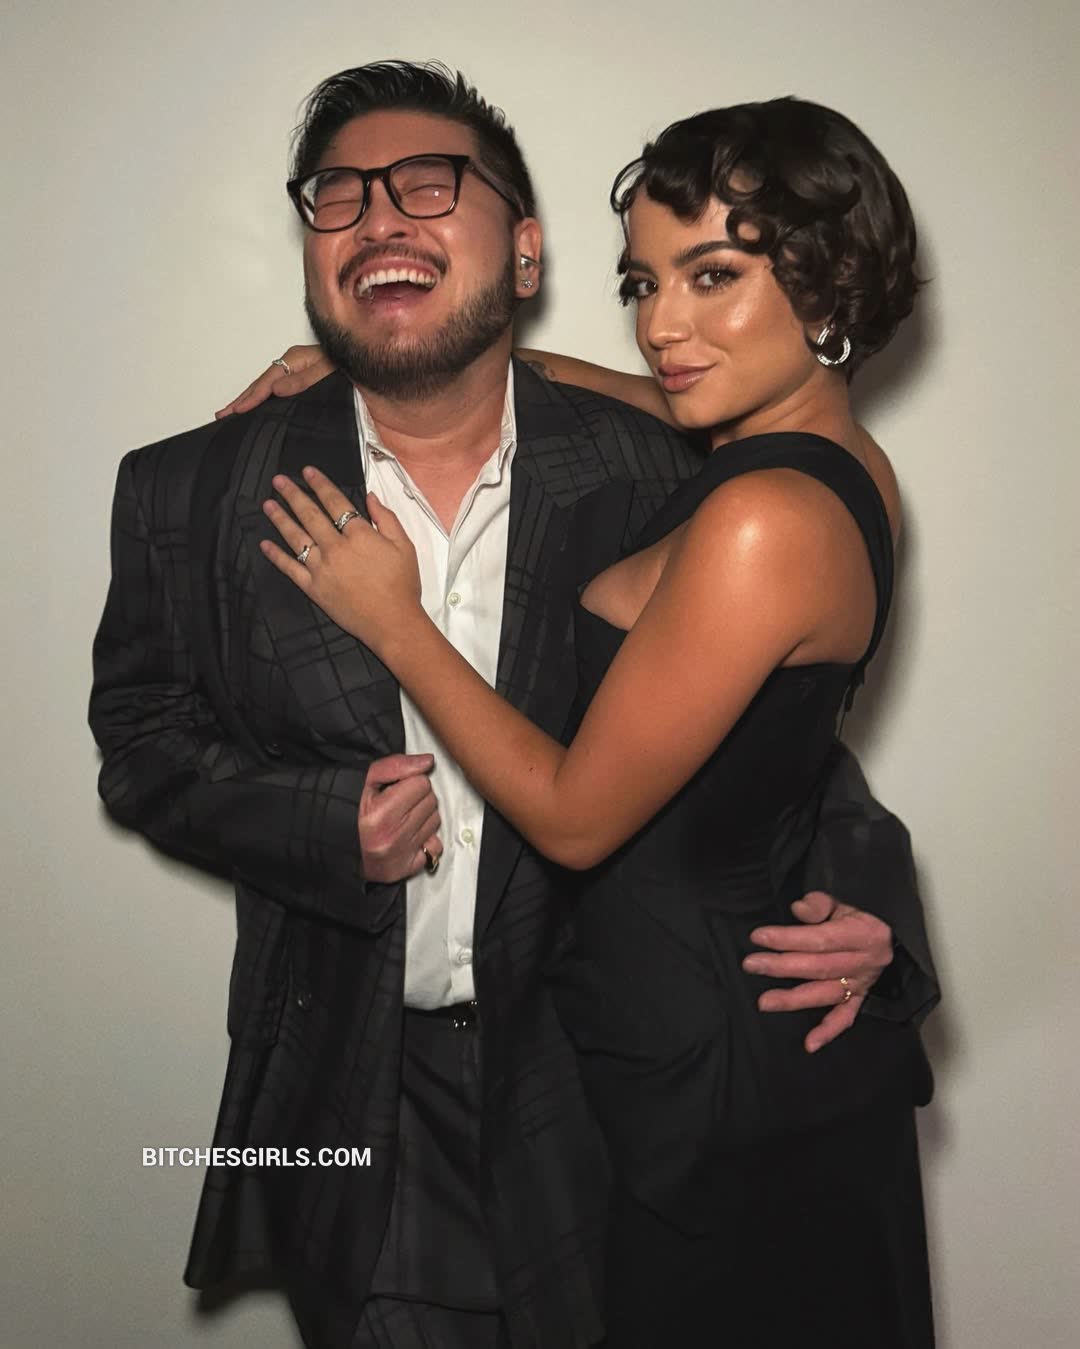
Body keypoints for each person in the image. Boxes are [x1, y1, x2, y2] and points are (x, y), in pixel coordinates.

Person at [89, 62, 936, 1349]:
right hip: (356, 1097)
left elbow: (787, 753)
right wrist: (320, 821)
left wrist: (880, 920)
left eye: (429, 186)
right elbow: (140, 737)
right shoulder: (192, 488)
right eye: (339, 196)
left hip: (605, 1095)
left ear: (525, 252)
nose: (380, 217)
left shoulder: (667, 467)